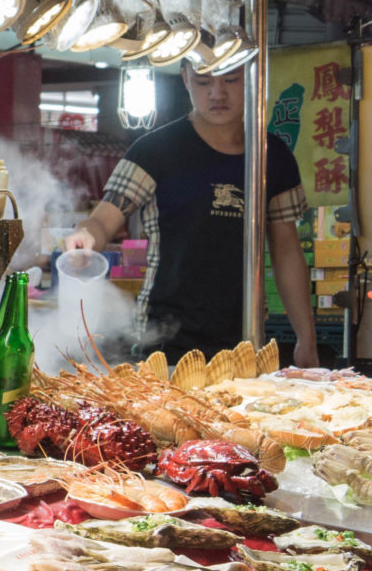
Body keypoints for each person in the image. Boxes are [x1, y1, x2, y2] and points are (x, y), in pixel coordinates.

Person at [64, 61, 319, 368]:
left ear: (253, 79)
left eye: (231, 80)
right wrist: (86, 236)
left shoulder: (273, 157)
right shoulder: (155, 150)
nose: (217, 93)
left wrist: (307, 338)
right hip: (163, 341)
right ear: (185, 78)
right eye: (203, 82)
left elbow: (287, 251)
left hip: (245, 343)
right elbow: (104, 218)